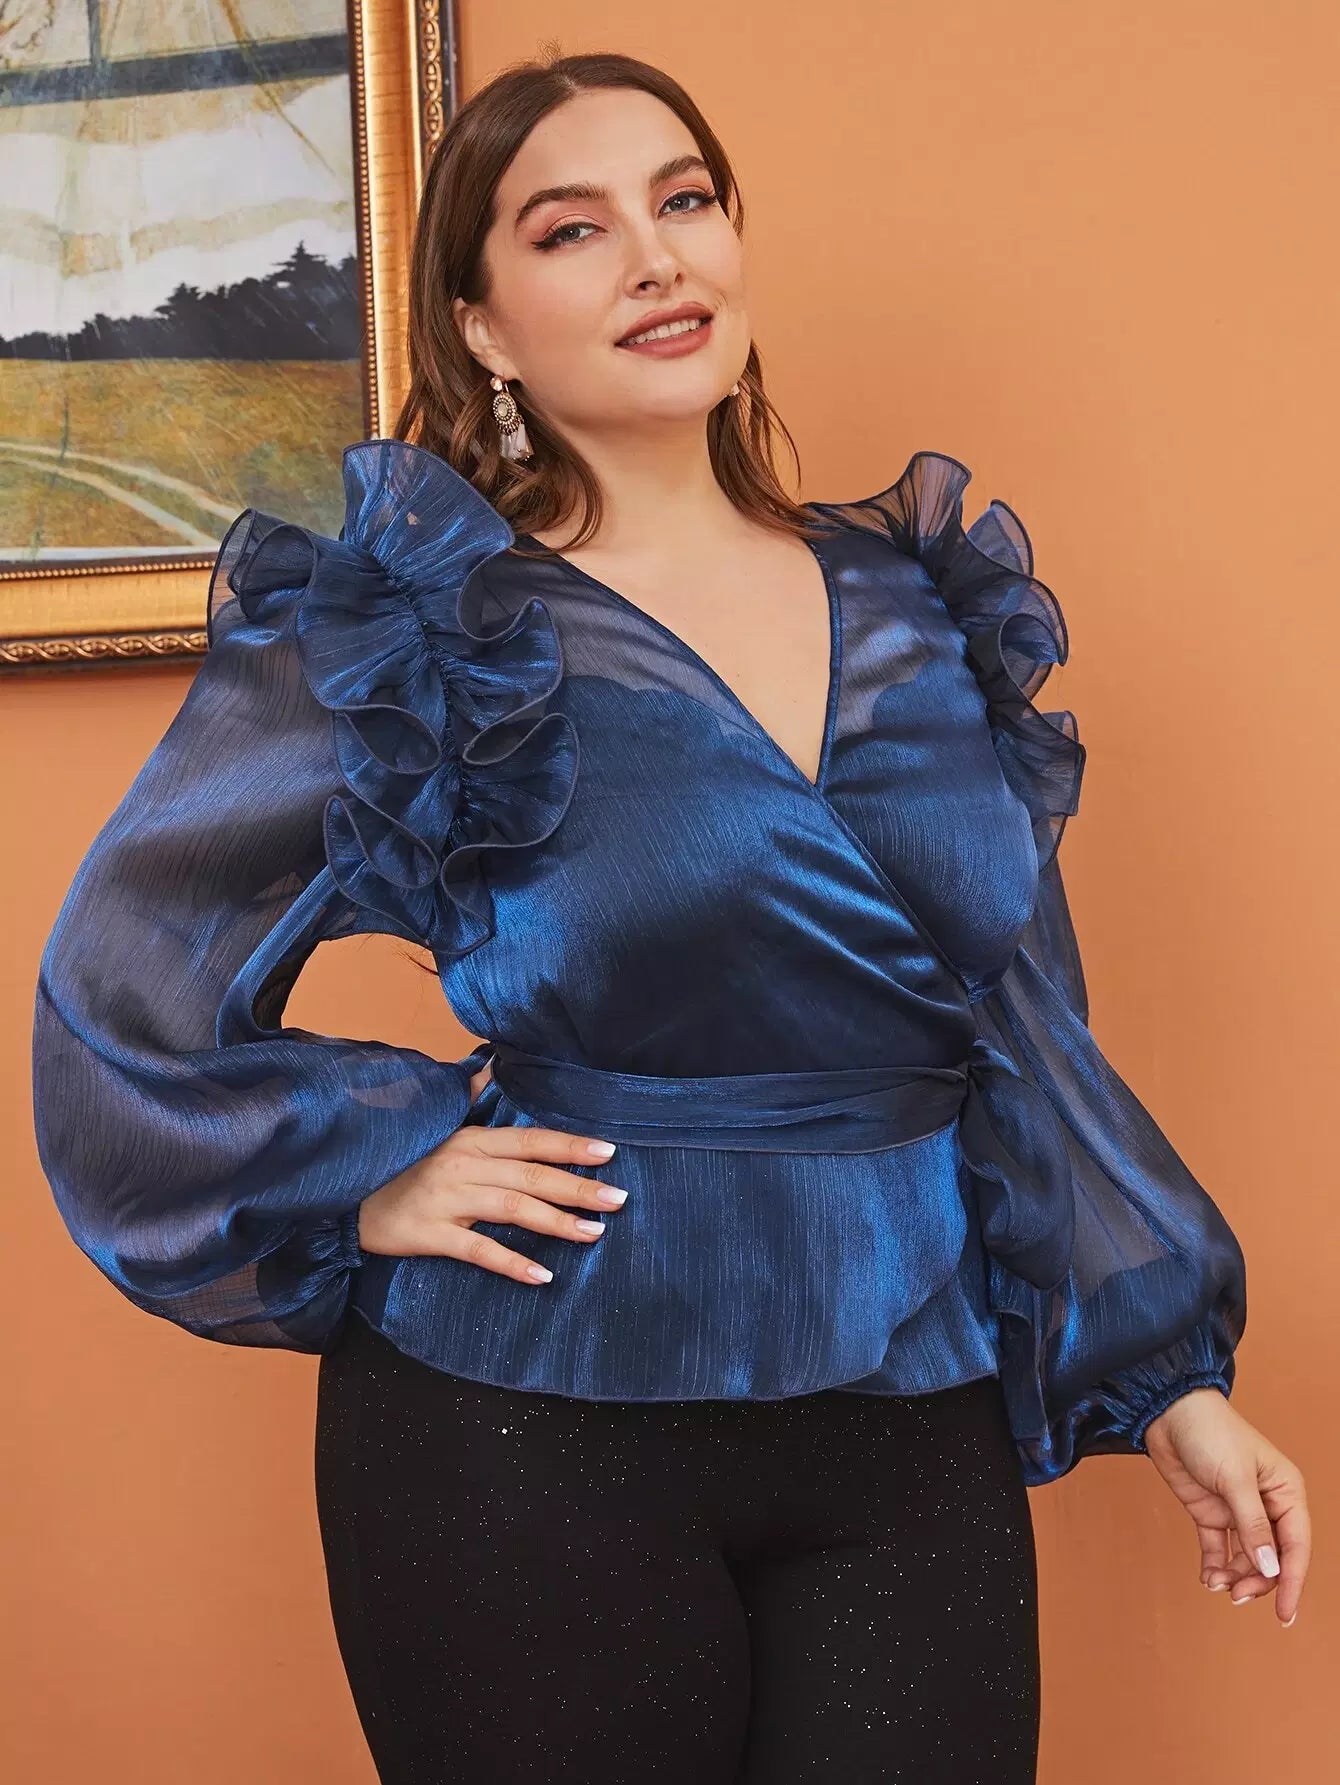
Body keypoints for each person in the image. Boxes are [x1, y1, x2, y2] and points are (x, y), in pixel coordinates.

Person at [31, 48, 1309, 1785]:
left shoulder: (923, 606)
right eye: (573, 229)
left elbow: (1020, 1025)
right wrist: (372, 1165)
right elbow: (121, 992)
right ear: (482, 326)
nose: (656, 257)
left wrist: (1173, 1381)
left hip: (907, 1407)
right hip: (525, 1417)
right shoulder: (423, 626)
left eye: (685, 200)